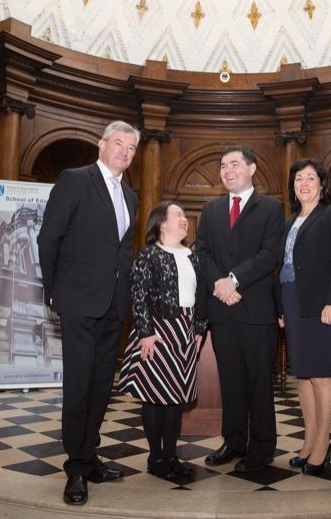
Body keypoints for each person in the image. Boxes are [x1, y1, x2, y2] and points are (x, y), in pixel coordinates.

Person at [37, 120, 140, 505]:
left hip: (113, 304)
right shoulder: (75, 180)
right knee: (78, 385)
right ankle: (76, 468)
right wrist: (54, 289)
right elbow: (49, 237)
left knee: (100, 385)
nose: (125, 152)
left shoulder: (130, 196)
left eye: (131, 148)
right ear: (101, 145)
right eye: (119, 143)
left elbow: (121, 252)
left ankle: (90, 454)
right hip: (78, 300)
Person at [196, 145, 284, 473]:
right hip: (222, 310)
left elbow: (269, 254)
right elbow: (202, 251)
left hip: (256, 310)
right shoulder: (211, 208)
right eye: (222, 165)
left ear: (252, 168)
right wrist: (220, 283)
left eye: (234, 164)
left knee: (259, 383)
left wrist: (234, 280)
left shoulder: (271, 208)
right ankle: (233, 441)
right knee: (230, 381)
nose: (227, 170)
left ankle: (261, 447)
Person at [117, 201, 207, 483]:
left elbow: (201, 296)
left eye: (184, 216)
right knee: (156, 396)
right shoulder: (148, 255)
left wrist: (200, 329)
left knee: (175, 398)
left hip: (185, 332)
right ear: (161, 223)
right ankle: (156, 456)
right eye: (178, 215)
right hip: (156, 331)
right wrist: (145, 332)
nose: (184, 220)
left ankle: (170, 455)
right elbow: (139, 295)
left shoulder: (193, 257)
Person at [277, 158, 331, 475]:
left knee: (321, 376)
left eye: (310, 178)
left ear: (322, 184)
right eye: (298, 179)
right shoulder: (288, 222)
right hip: (293, 301)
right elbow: (280, 268)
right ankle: (308, 443)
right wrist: (280, 308)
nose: (303, 183)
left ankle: (322, 447)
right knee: (303, 377)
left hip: (323, 304)